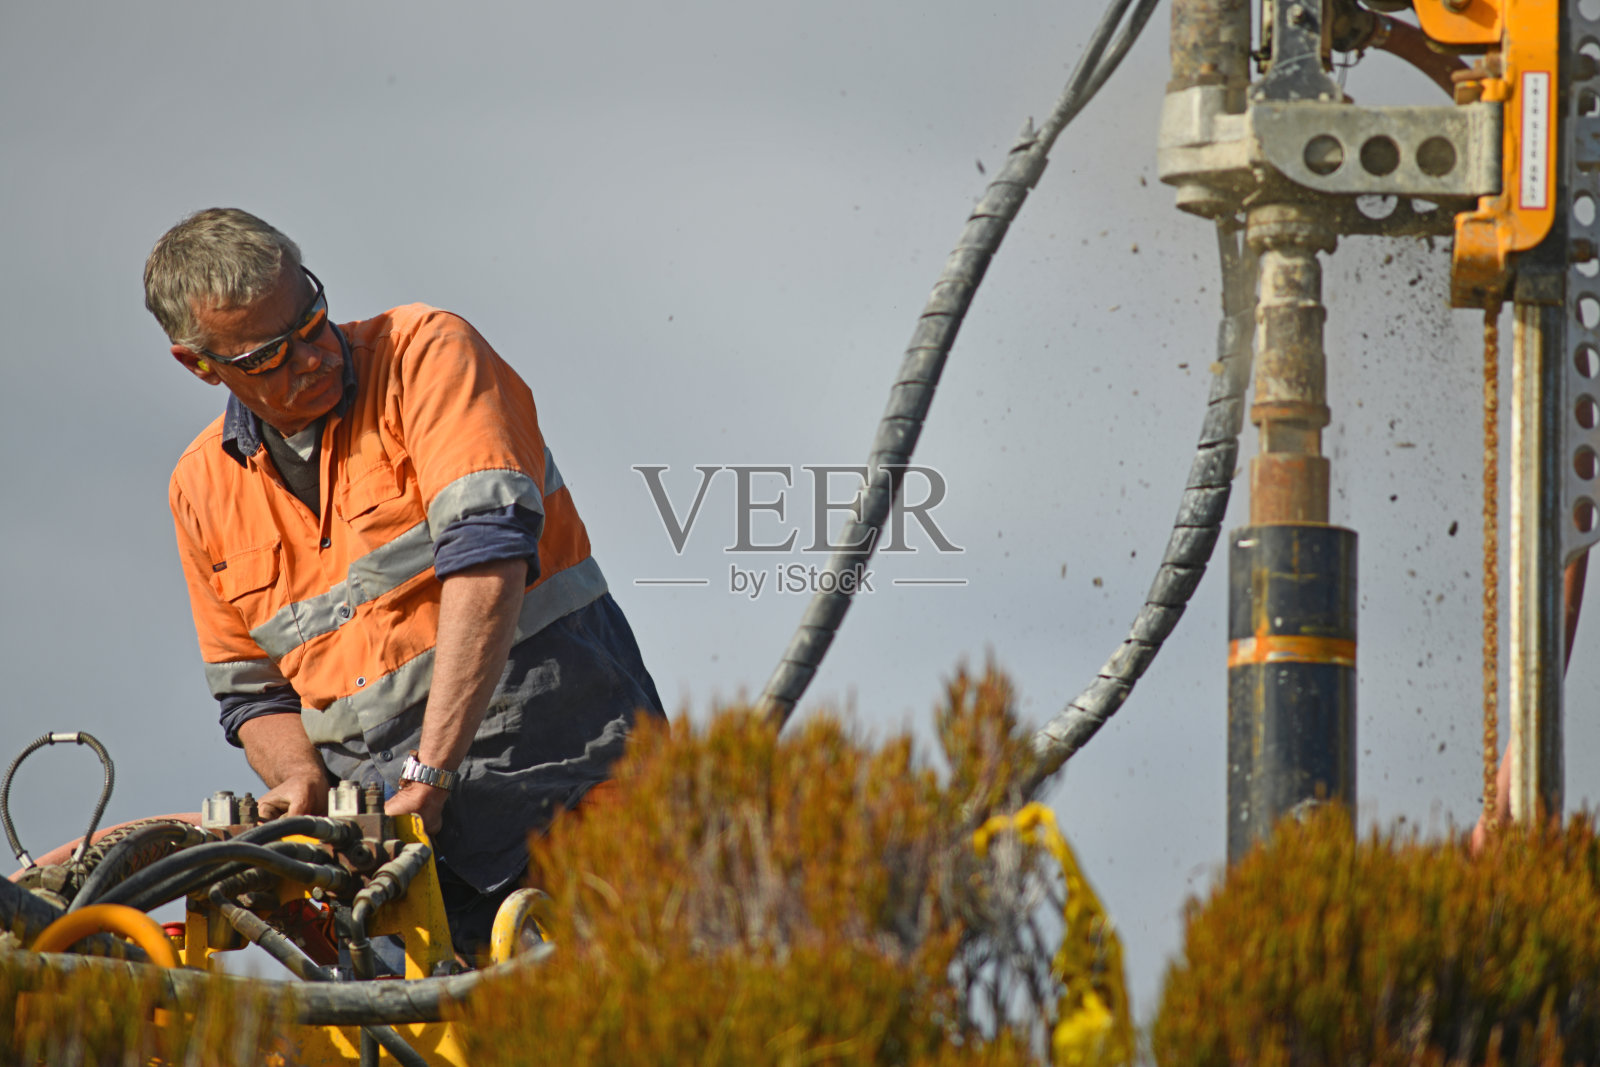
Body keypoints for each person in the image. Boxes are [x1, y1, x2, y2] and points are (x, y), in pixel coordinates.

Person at [147, 208, 665, 951]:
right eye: (270, 355)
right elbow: (252, 694)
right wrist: (299, 777)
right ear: (199, 363)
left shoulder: (426, 354)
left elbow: (488, 561)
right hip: (400, 879)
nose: (314, 356)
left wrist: (431, 773)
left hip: (575, 804)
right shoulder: (201, 488)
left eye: (313, 318)